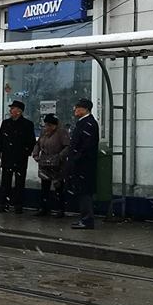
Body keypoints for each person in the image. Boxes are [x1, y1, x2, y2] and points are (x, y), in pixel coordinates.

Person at [0, 100, 36, 214]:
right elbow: (0, 139)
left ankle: (18, 205)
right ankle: (3, 204)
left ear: (19, 111)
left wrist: (26, 152)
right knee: (5, 182)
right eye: (11, 108)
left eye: (13, 108)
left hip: (20, 158)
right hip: (7, 157)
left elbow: (31, 141)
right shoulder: (6, 123)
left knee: (19, 182)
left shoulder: (27, 124)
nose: (10, 110)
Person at [68, 98, 100, 229]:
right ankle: (84, 218)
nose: (75, 110)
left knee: (85, 192)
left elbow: (86, 145)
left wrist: (76, 157)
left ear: (85, 109)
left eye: (78, 107)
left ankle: (87, 219)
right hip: (82, 164)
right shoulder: (83, 123)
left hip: (85, 165)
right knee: (82, 191)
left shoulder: (88, 124)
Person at [31, 114, 69, 218]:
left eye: (50, 125)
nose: (47, 127)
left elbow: (67, 147)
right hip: (44, 162)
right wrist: (35, 154)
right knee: (44, 187)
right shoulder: (43, 132)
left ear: (55, 125)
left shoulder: (62, 132)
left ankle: (60, 209)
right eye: (46, 125)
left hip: (58, 164)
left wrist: (59, 156)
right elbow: (38, 144)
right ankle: (44, 208)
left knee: (58, 186)